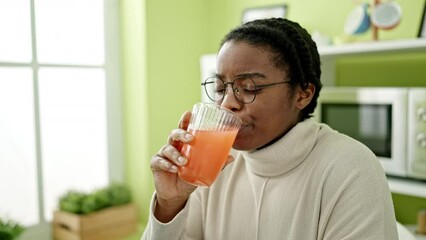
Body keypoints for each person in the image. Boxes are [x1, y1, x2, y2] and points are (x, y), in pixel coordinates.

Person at [142, 18, 398, 240]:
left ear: (302, 94)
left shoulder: (351, 169)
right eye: (221, 88)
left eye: (250, 87)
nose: (227, 103)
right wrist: (170, 204)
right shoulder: (211, 168)